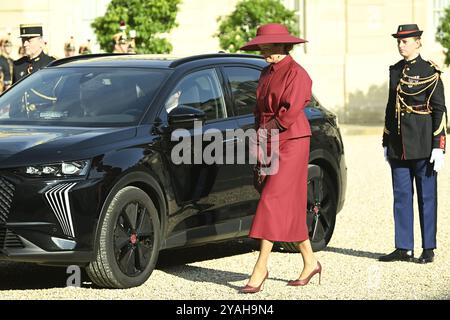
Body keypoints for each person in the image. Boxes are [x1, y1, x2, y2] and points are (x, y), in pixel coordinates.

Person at [238, 23, 320, 293]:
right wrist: (258, 143)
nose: (263, 51)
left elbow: (288, 113)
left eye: (268, 46)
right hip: (268, 138)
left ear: (284, 46)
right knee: (288, 204)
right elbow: (258, 110)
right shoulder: (265, 72)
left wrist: (264, 133)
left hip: (292, 141)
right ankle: (310, 261)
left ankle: (260, 267)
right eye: (261, 46)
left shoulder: (298, 74)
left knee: (271, 199)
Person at [379, 24, 446, 264]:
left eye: (406, 41)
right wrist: (386, 140)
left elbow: (439, 109)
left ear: (418, 42)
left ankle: (428, 248)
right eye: (399, 41)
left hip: (423, 143)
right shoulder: (395, 70)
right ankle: (403, 247)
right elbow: (390, 106)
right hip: (399, 144)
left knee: (427, 197)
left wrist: (439, 146)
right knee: (401, 196)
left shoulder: (430, 71)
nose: (401, 45)